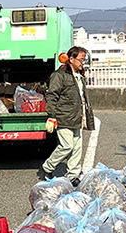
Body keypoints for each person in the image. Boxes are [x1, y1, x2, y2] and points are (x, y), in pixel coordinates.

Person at [39, 46, 95, 186]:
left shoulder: (79, 75)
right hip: (63, 116)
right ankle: (48, 167)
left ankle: (73, 175)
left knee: (77, 148)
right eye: (81, 59)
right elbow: (52, 95)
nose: (83, 62)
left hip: (77, 115)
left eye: (84, 59)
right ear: (71, 59)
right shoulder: (60, 75)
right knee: (66, 146)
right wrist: (51, 115)